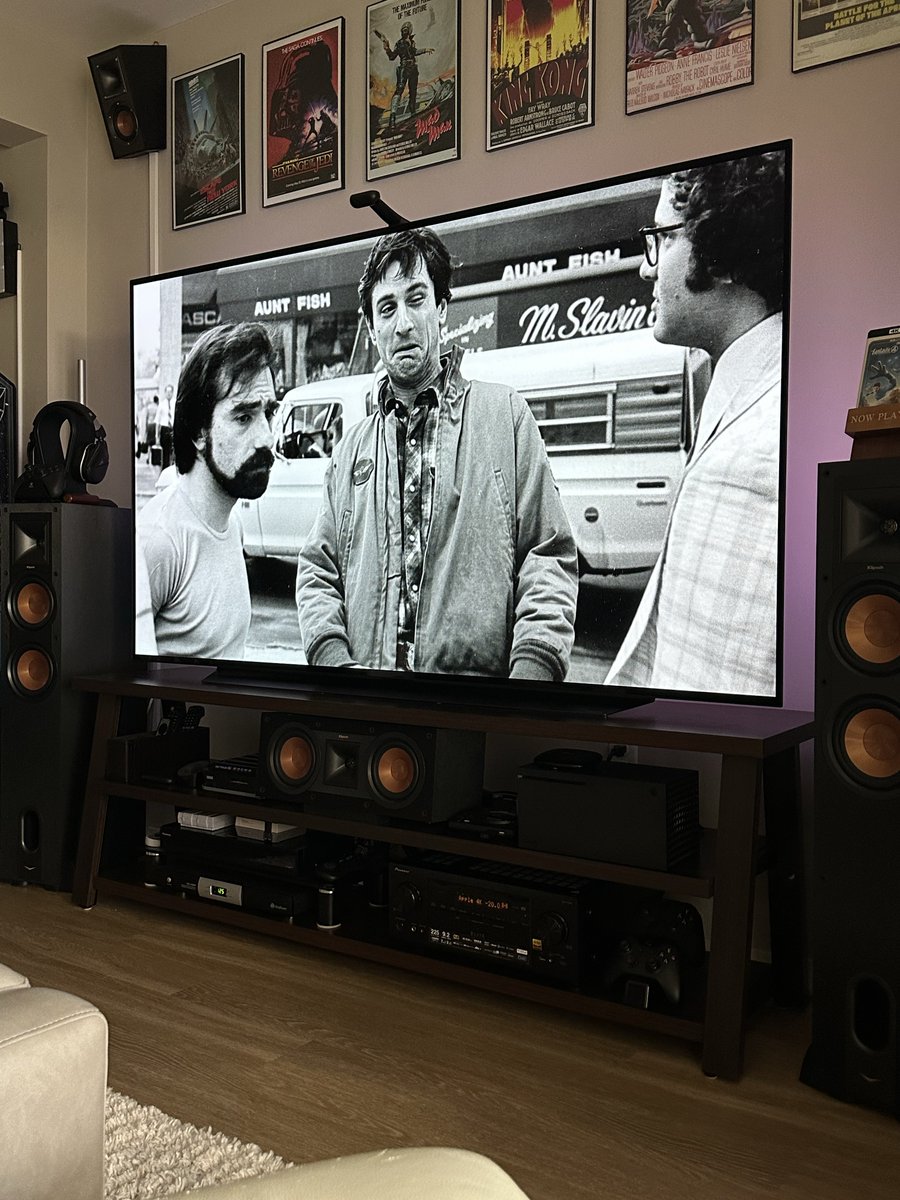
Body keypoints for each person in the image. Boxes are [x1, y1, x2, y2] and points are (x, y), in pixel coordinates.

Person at [295, 226, 578, 681]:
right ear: (372, 328)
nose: (403, 322)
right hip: (369, 701)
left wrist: (532, 675)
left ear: (442, 308)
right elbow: (318, 570)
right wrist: (334, 664)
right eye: (387, 308)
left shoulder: (505, 416)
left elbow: (548, 556)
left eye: (416, 298)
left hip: (477, 708)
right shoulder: (351, 451)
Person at [606, 150, 786, 695]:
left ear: (723, 253)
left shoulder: (770, 440)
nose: (644, 265)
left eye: (660, 238)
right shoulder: (745, 388)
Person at [136, 322, 278, 660]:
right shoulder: (160, 540)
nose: (266, 438)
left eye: (268, 413)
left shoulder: (233, 525)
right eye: (243, 417)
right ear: (199, 432)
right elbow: (130, 693)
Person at [378, 22, 434, 128]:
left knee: (413, 91)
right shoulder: (400, 43)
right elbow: (392, 56)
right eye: (403, 30)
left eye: (406, 29)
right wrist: (387, 48)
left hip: (412, 68)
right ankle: (393, 117)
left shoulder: (411, 41)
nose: (405, 31)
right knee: (400, 90)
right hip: (404, 68)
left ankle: (411, 113)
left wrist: (425, 50)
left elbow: (413, 52)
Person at [155, 383, 175, 469]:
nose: (169, 393)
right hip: (164, 429)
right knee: (165, 453)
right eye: (167, 392)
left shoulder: (175, 404)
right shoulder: (161, 405)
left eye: (170, 392)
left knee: (174, 451)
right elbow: (157, 421)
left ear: (173, 392)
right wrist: (157, 435)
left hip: (173, 429)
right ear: (165, 393)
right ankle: (165, 470)